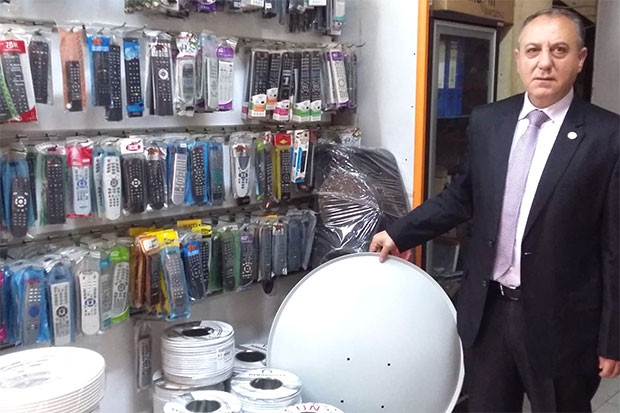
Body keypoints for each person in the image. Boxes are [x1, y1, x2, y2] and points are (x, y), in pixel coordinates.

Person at [370, 8, 619, 412]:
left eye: (559, 50)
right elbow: (461, 197)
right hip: (488, 313)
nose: (544, 63)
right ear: (518, 58)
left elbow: (614, 249)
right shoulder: (490, 121)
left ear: (580, 59)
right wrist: (401, 232)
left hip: (563, 325)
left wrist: (612, 338)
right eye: (533, 50)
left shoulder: (608, 137)